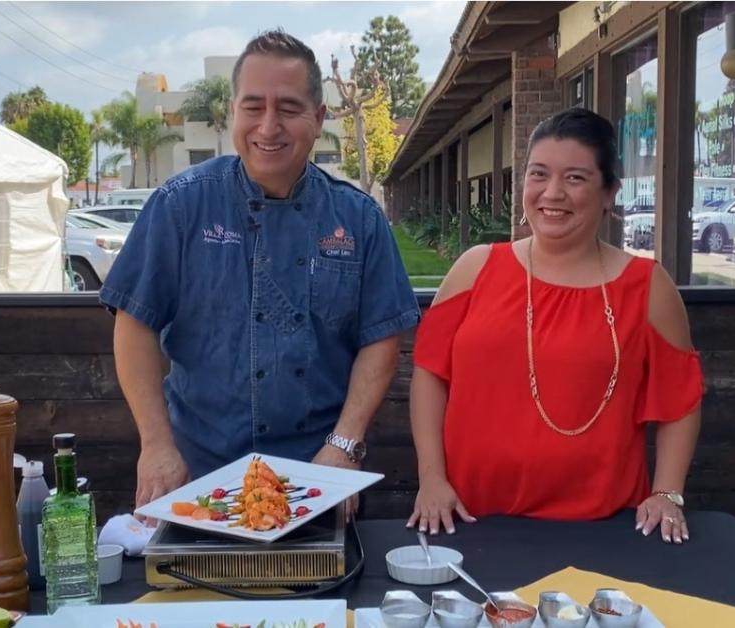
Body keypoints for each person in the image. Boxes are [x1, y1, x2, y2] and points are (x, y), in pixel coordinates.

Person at [100, 30, 420, 516]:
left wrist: (345, 446)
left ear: (318, 118)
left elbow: (380, 339)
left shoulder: (358, 219)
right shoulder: (180, 206)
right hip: (198, 478)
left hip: (317, 481)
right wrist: (157, 445)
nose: (268, 126)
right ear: (233, 113)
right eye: (254, 107)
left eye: (288, 108)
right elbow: (134, 322)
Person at [406, 108, 703, 543]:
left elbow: (681, 400)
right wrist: (431, 479)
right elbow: (430, 374)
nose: (553, 193)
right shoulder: (475, 269)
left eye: (576, 178)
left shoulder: (646, 287)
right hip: (468, 517)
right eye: (538, 174)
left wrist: (667, 493)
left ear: (610, 192)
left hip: (603, 527)